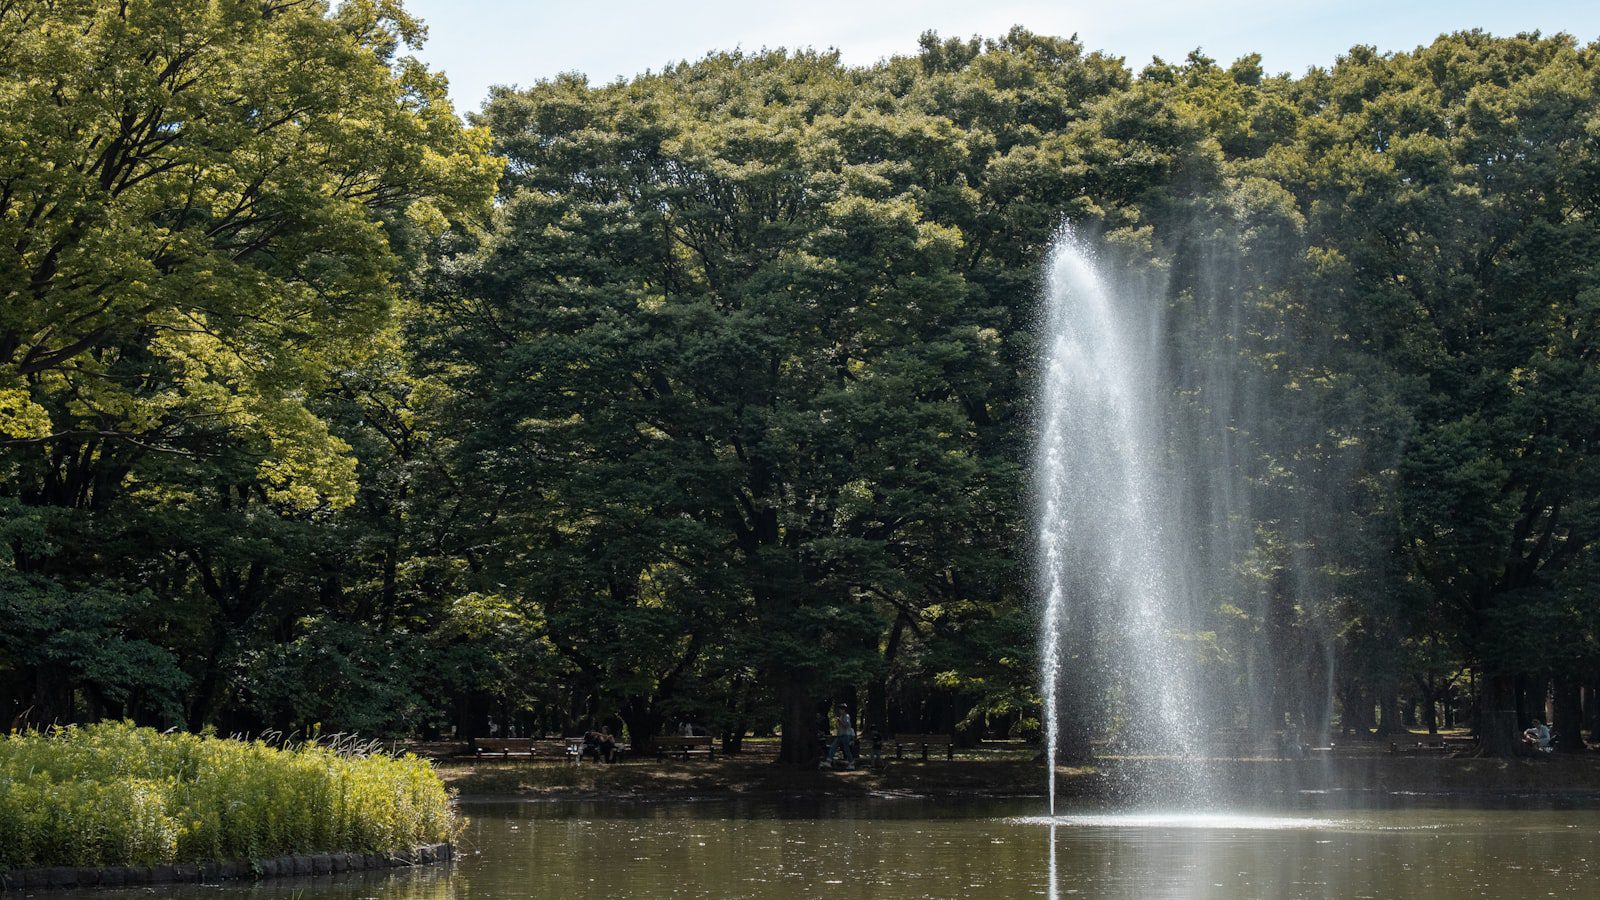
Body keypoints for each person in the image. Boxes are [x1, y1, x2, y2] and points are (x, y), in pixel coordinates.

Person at [821, 703, 857, 770]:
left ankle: (851, 763)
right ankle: (828, 762)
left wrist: (840, 721)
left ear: (843, 710)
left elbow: (847, 725)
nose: (839, 710)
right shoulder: (841, 716)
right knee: (833, 747)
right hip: (840, 735)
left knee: (846, 750)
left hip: (846, 735)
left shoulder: (846, 716)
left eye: (840, 709)